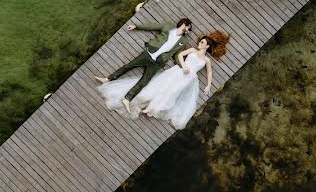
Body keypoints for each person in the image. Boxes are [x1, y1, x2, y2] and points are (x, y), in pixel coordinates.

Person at [98, 31, 231, 129]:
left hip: (188, 79)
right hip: (178, 72)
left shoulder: (206, 60)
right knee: (161, 86)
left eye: (202, 42)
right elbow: (179, 55)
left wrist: (208, 85)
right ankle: (144, 101)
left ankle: (152, 108)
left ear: (207, 46)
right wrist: (184, 65)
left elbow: (209, 71)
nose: (199, 43)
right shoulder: (192, 50)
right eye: (200, 41)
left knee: (172, 93)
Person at [94, 18, 193, 113]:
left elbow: (176, 55)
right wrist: (136, 26)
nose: (189, 30)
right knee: (129, 66)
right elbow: (152, 26)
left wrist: (182, 66)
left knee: (144, 81)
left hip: (158, 62)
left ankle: (127, 99)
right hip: (149, 53)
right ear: (184, 24)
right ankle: (107, 79)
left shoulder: (183, 41)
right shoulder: (168, 26)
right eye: (189, 27)